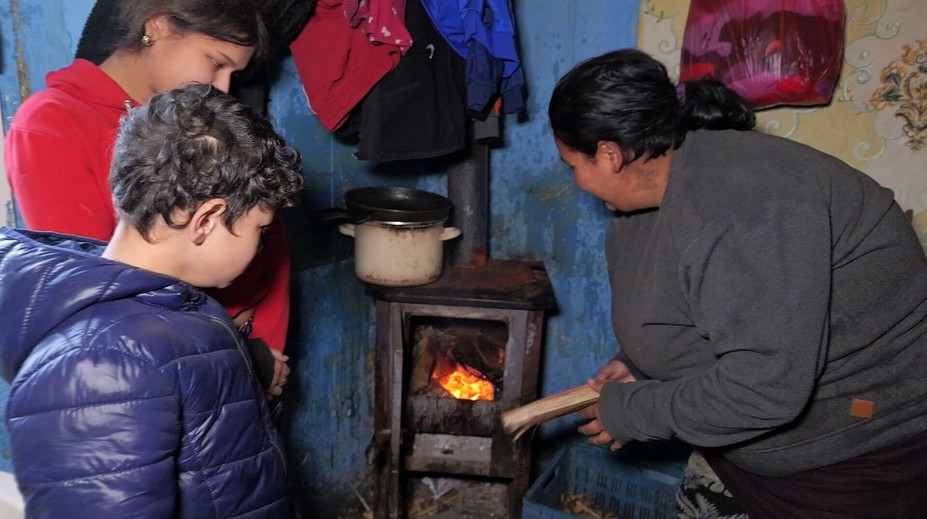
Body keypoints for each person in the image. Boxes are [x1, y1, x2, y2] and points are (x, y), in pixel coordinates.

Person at [548, 48, 927, 518]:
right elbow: (718, 305)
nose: (577, 182)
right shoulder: (654, 195)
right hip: (748, 444)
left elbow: (765, 387)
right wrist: (640, 364)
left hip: (852, 456)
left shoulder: (747, 208)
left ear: (609, 154)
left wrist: (637, 411)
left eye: (573, 166)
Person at [0, 83, 304, 518]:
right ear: (206, 220)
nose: (261, 246)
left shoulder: (172, 308)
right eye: (261, 229)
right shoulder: (100, 365)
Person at [3, 0, 291, 400]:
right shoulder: (54, 121)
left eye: (234, 73)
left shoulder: (208, 121)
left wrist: (267, 347)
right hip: (169, 369)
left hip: (245, 362)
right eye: (216, 62)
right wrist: (241, 355)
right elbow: (94, 286)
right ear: (157, 27)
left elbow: (269, 248)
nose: (224, 88)